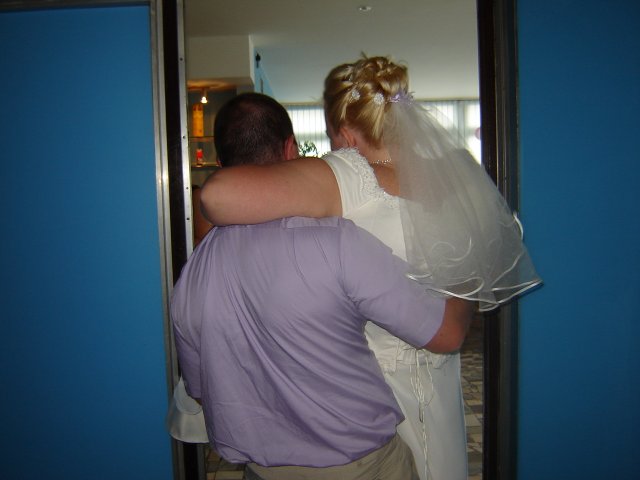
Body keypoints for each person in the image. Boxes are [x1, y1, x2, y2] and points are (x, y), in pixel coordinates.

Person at [199, 57, 541, 479]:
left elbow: (218, 196)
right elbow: (468, 282)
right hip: (439, 379)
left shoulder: (346, 174)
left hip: (366, 395)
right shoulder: (453, 174)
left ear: (344, 132)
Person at [171, 92, 474, 480]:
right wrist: (469, 275)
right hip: (360, 469)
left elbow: (201, 392)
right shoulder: (337, 242)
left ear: (220, 162)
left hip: (261, 472)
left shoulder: (193, 275)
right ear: (291, 149)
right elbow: (447, 333)